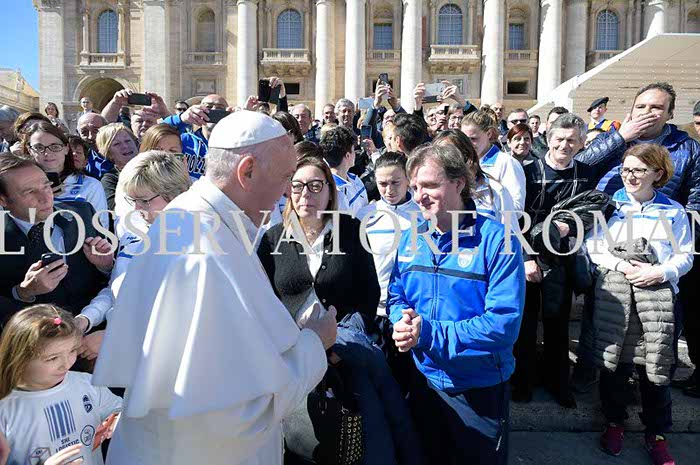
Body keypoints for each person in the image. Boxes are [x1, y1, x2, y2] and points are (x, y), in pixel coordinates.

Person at [92, 110, 336, 465]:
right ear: (247, 171)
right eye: (286, 177)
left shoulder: (188, 218)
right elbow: (237, 413)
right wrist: (315, 342)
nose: (288, 191)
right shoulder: (204, 249)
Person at [258, 155, 423, 465]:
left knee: (369, 432)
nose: (305, 194)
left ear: (329, 191)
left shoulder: (351, 230)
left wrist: (335, 343)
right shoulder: (271, 240)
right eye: (297, 186)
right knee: (303, 440)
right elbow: (264, 302)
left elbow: (369, 294)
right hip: (293, 357)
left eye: (315, 186)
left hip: (346, 351)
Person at [388, 143, 525, 465]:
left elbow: (503, 325)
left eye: (430, 185)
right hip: (423, 381)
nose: (420, 196)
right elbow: (396, 296)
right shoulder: (410, 238)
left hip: (478, 388)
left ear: (459, 183)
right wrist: (401, 321)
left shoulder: (498, 240)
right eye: (415, 187)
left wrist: (428, 333)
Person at [575, 83, 700, 398]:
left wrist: (670, 252)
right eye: (642, 106)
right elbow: (580, 165)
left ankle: (652, 383)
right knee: (605, 315)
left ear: (670, 113)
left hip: (661, 247)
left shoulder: (687, 147)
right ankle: (594, 373)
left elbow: (695, 199)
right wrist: (621, 137)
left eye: (657, 107)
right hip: (612, 238)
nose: (648, 112)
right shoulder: (615, 137)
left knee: (655, 325)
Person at [584, 144, 692, 465]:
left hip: (658, 299)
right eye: (626, 169)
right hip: (618, 297)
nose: (630, 176)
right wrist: (622, 266)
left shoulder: (673, 211)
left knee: (655, 367)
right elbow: (594, 246)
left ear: (658, 173)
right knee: (615, 365)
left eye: (639, 170)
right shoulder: (610, 206)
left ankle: (656, 433)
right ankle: (614, 422)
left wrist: (659, 272)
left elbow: (684, 256)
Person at [511, 114, 595, 408]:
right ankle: (523, 382)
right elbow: (515, 219)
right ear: (548, 139)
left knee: (557, 324)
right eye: (559, 139)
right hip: (528, 258)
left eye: (572, 140)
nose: (564, 145)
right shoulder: (526, 171)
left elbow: (592, 212)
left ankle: (558, 382)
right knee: (525, 324)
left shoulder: (587, 173)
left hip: (562, 259)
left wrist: (570, 227)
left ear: (581, 143)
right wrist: (526, 257)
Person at [76, 151, 191, 359]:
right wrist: (85, 319)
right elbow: (118, 288)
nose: (137, 208)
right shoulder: (134, 229)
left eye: (144, 200)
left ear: (175, 194)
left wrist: (114, 338)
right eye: (133, 200)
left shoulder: (195, 243)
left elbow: (182, 318)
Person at [0, 305, 123, 465]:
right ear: (19, 357)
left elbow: (122, 411)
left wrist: (117, 420)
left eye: (72, 351)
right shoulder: (5, 407)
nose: (66, 364)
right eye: (52, 358)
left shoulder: (88, 384)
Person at [0, 154, 112, 322]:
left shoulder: (82, 212)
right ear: (3, 200)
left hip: (96, 325)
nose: (45, 198)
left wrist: (106, 266)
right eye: (30, 192)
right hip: (37, 332)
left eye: (46, 186)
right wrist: (23, 292)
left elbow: (110, 279)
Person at [356, 152, 421, 318]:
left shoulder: (424, 214)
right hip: (375, 311)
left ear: (408, 179)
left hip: (414, 310)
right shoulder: (363, 216)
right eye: (383, 184)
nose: (389, 190)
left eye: (395, 182)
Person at [22, 121, 108, 227]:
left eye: (55, 147)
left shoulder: (90, 185)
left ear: (66, 149)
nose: (47, 153)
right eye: (39, 147)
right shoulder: (18, 186)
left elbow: (101, 228)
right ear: (30, 150)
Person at [434, 129, 515, 223]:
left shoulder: (496, 190)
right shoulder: (430, 194)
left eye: (449, 155)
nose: (444, 161)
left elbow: (510, 230)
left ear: (467, 155)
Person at [461, 110, 526, 212]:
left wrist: (485, 213)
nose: (468, 144)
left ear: (489, 134)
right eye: (464, 139)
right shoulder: (463, 162)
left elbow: (517, 208)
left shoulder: (507, 163)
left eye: (473, 139)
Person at [162, 93, 232, 180]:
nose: (213, 110)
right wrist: (181, 118)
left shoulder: (234, 146)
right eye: (208, 107)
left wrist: (241, 120)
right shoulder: (184, 140)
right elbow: (157, 133)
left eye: (219, 108)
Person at [319, 126, 367, 215]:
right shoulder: (335, 193)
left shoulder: (355, 179)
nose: (356, 154)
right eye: (353, 150)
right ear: (348, 155)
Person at [95, 123, 139, 210]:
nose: (125, 146)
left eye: (128, 141)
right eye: (117, 144)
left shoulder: (153, 167)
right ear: (109, 153)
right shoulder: (109, 180)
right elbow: (115, 209)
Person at [77, 112, 112, 179]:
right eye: (84, 132)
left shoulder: (122, 152)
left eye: (96, 131)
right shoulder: (80, 160)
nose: (90, 137)